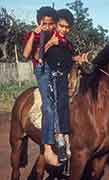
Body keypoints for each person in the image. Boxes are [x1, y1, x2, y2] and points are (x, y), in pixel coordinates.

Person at [44, 8, 88, 163]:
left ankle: (74, 136)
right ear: (56, 25)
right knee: (58, 103)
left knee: (74, 100)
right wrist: (50, 44)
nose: (64, 30)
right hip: (52, 76)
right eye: (62, 26)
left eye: (67, 27)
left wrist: (79, 59)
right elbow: (47, 58)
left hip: (66, 76)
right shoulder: (48, 38)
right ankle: (60, 140)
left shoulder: (67, 44)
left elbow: (69, 58)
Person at [23, 6, 60, 166]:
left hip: (57, 70)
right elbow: (28, 55)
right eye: (44, 23)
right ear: (39, 22)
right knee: (48, 106)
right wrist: (36, 35)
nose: (48, 26)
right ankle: (48, 147)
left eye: (51, 23)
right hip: (42, 70)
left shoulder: (58, 35)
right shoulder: (34, 35)